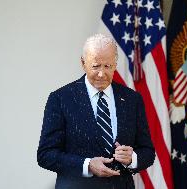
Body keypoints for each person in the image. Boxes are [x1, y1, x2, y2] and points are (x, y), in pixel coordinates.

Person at [37, 34, 155, 189]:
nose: (101, 73)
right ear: (83, 63)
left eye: (107, 66)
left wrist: (132, 158)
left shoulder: (132, 99)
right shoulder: (60, 99)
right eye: (95, 66)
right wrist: (87, 165)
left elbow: (148, 152)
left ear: (115, 64)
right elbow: (46, 155)